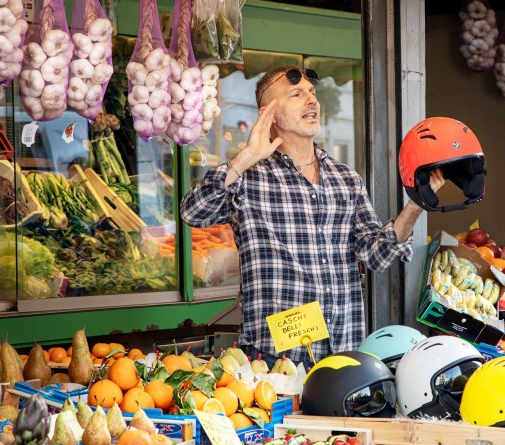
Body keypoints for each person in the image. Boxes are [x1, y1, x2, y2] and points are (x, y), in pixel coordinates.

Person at [180, 66, 443, 366]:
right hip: (276, 360)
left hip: (344, 352)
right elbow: (193, 212)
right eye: (296, 94)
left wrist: (417, 203)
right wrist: (247, 156)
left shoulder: (345, 179)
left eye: (312, 93)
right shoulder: (248, 178)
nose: (312, 101)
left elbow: (376, 255)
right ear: (269, 114)